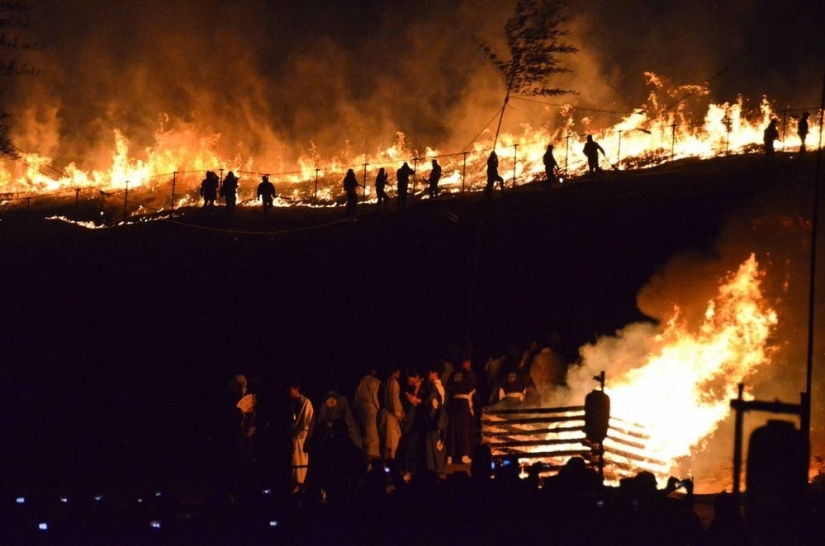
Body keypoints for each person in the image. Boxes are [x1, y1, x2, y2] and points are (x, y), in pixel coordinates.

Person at [445, 355, 479, 465]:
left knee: (453, 430)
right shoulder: (470, 375)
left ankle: (450, 456)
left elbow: (448, 388)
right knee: (465, 429)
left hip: (453, 403)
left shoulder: (452, 375)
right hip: (464, 403)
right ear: (466, 362)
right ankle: (465, 455)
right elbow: (474, 390)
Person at [422, 361, 448, 480]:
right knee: (437, 448)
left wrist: (430, 419)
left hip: (434, 422)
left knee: (434, 450)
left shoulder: (434, 388)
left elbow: (433, 407)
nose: (428, 374)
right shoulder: (440, 387)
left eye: (430, 372)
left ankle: (436, 475)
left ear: (435, 373)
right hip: (439, 422)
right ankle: (438, 473)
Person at [353, 365, 381, 468]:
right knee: (373, 442)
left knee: (365, 441)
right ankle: (372, 467)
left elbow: (355, 402)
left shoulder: (359, 383)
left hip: (361, 415)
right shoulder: (374, 382)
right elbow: (377, 399)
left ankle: (367, 465)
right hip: (372, 415)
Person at [289, 379, 314, 493]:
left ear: (296, 389)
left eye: (290, 389)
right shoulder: (291, 403)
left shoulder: (305, 402)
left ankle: (299, 486)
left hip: (301, 438)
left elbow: (307, 422)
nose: (289, 392)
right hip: (293, 438)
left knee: (299, 461)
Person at [377, 364, 405, 464]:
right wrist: (400, 414)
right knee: (390, 443)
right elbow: (394, 400)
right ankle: (387, 467)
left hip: (383, 414)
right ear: (395, 371)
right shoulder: (394, 383)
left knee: (385, 441)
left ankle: (385, 466)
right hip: (391, 416)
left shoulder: (384, 382)